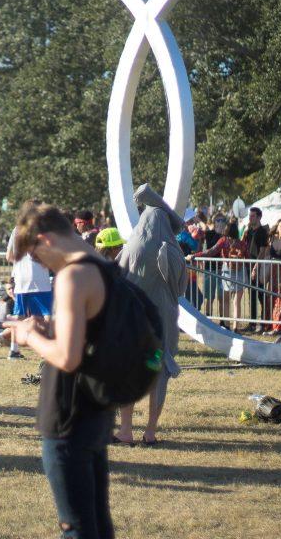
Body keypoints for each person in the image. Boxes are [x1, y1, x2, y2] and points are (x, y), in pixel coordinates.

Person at [8, 202, 115, 539]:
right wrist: (53, 323)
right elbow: (92, 325)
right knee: (97, 520)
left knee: (77, 527)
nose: (38, 264)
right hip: (97, 409)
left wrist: (29, 335)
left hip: (69, 415)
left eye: (35, 256)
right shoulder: (102, 265)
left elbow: (67, 358)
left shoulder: (72, 275)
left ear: (45, 240)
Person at [115, 184, 184, 447]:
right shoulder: (172, 251)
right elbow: (179, 288)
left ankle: (125, 430)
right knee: (157, 374)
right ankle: (151, 432)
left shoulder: (129, 249)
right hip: (162, 323)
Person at [6, 200, 54, 360]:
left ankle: (14, 350)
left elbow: (9, 256)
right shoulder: (43, 229)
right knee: (47, 314)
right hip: (39, 277)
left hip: (21, 279)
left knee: (18, 315)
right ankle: (47, 350)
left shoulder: (17, 230)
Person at [240, 207, 269, 331]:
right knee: (251, 295)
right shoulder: (249, 231)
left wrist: (256, 267)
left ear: (258, 217)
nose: (250, 218)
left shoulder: (262, 232)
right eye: (250, 216)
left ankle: (264, 322)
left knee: (261, 295)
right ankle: (252, 323)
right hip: (248, 265)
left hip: (258, 267)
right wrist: (244, 232)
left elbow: (262, 251)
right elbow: (242, 244)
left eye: (252, 216)